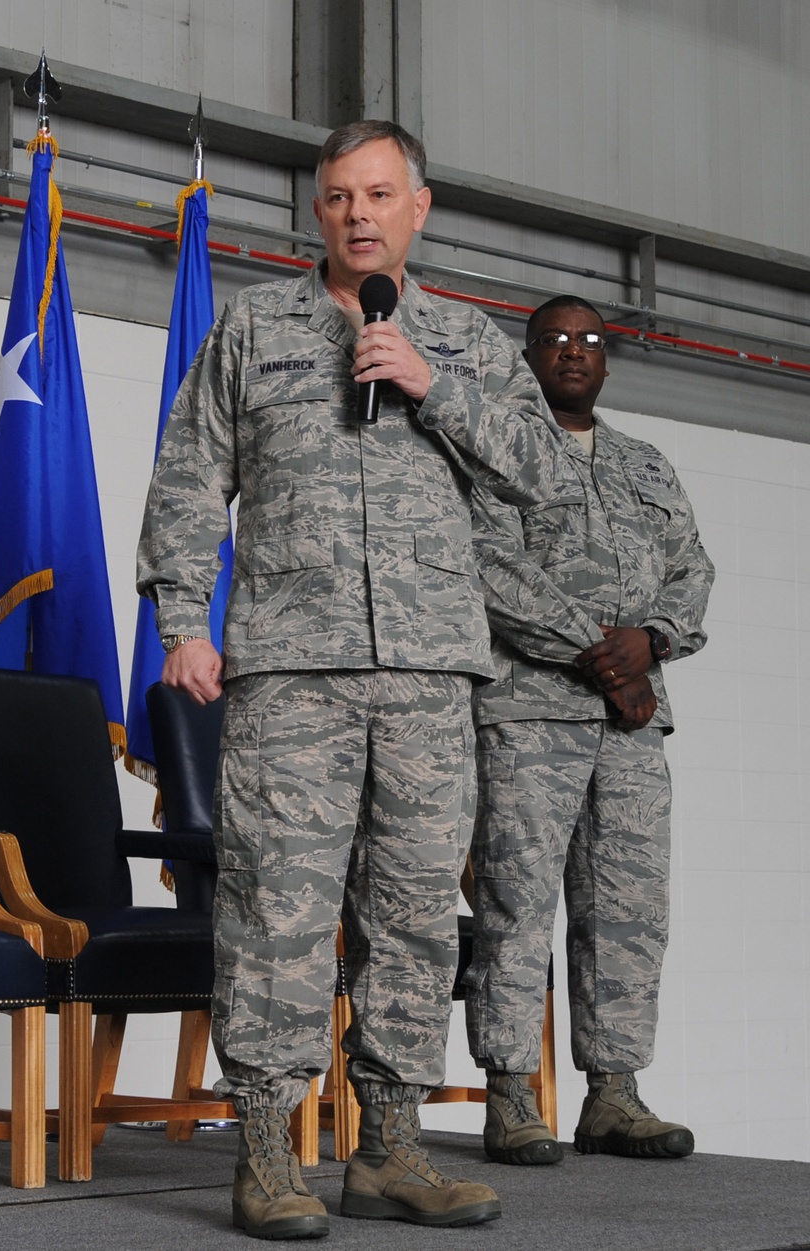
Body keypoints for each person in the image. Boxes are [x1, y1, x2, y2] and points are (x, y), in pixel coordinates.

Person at [138, 120, 562, 1238]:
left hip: (429, 670)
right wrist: (185, 618)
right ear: (316, 211)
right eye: (336, 198)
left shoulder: (466, 343)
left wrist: (433, 387)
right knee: (275, 906)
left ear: (419, 207)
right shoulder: (253, 327)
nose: (357, 215)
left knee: (416, 914)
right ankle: (269, 1154)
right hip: (289, 667)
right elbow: (190, 477)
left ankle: (389, 1149)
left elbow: (540, 479)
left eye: (378, 194)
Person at [463, 294, 714, 1167]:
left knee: (629, 908)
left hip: (633, 726)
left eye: (590, 340)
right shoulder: (499, 445)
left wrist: (656, 641)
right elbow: (487, 565)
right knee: (516, 901)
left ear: (608, 359)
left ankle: (613, 1092)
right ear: (529, 354)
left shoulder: (647, 463)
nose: (574, 352)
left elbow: (691, 566)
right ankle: (510, 1094)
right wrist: (600, 655)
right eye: (556, 340)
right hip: (533, 710)